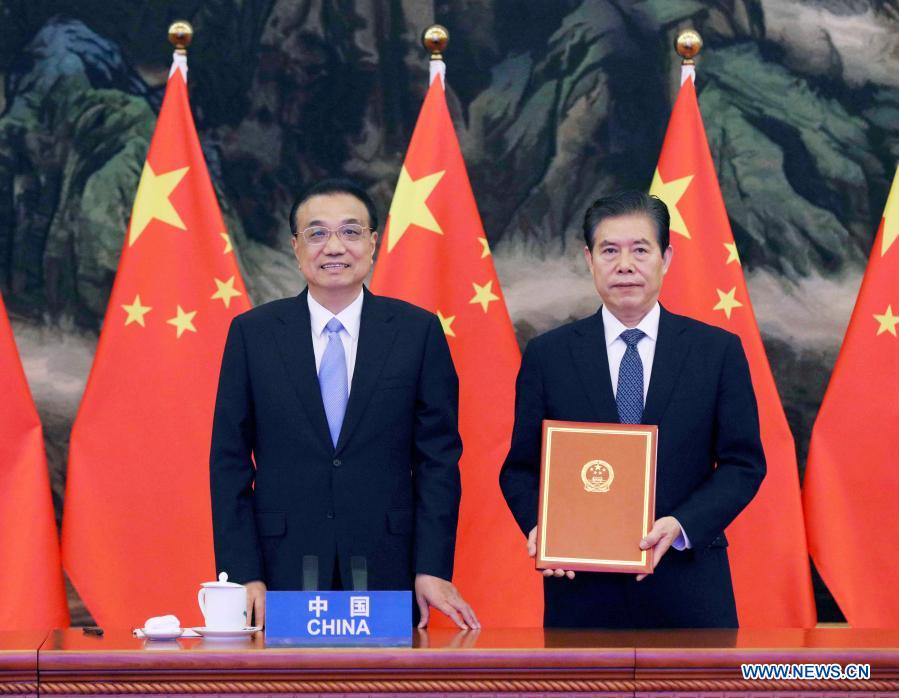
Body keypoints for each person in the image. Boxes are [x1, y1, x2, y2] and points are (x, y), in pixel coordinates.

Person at [210, 178, 478, 630]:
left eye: (351, 232)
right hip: (281, 567)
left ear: (373, 243)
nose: (334, 247)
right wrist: (243, 573)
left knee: (382, 674)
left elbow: (438, 460)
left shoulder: (416, 332)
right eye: (317, 233)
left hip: (388, 562)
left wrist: (431, 567)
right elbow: (229, 462)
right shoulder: (253, 335)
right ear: (296, 247)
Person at [499, 191, 766, 628]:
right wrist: (543, 529)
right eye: (609, 251)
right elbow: (520, 470)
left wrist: (682, 525)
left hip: (689, 587)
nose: (625, 265)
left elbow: (743, 464)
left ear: (666, 258)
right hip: (582, 594)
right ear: (589, 259)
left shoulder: (716, 351)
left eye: (640, 250)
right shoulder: (549, 356)